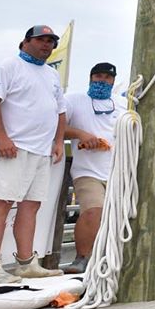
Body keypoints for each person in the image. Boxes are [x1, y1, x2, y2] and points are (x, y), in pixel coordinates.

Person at [0, 25, 66, 282]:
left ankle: (26, 261)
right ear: (25, 42)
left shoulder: (51, 74)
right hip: (14, 147)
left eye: (51, 42)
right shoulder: (8, 66)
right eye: (41, 40)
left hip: (42, 150)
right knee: (1, 203)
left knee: (31, 205)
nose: (46, 45)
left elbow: (60, 110)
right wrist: (1, 137)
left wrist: (59, 141)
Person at [62, 62, 124, 274]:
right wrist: (81, 135)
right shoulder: (73, 100)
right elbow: (56, 128)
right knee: (92, 211)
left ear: (113, 80)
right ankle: (82, 257)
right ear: (90, 77)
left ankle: (112, 260)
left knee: (119, 218)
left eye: (107, 77)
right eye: (98, 76)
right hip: (87, 170)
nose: (102, 80)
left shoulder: (124, 103)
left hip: (120, 171)